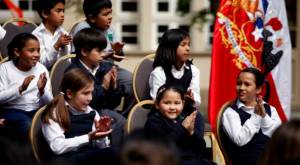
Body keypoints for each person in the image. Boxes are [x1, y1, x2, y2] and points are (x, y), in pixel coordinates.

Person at [70, 0, 135, 115]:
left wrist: (118, 51)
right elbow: (76, 56)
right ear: (92, 18)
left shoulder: (111, 30)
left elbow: (118, 58)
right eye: (105, 14)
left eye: (110, 13)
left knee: (131, 81)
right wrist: (105, 54)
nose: (109, 17)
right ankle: (98, 115)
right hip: (87, 70)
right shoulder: (82, 29)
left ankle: (125, 116)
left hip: (108, 67)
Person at [41, 68, 117, 165]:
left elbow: (102, 148)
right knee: (113, 153)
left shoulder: (91, 112)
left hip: (87, 157)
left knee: (115, 153)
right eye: (85, 93)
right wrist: (88, 137)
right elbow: (57, 147)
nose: (90, 98)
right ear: (69, 94)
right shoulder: (54, 112)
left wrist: (101, 135)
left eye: (91, 92)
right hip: (65, 160)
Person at [66, 28, 126, 147]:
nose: (103, 54)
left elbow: (114, 103)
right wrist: (103, 86)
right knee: (118, 121)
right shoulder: (74, 72)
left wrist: (113, 87)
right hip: (79, 114)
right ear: (84, 51)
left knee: (120, 120)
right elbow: (86, 102)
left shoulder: (105, 66)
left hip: (103, 110)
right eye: (98, 51)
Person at [221, 67, 282, 165]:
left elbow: (278, 137)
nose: (241, 88)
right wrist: (256, 116)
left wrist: (264, 116)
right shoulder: (230, 113)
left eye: (247, 84)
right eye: (239, 83)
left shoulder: (271, 109)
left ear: (258, 89)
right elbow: (239, 139)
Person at [0, 33, 52, 141]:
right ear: (17, 52)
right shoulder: (4, 69)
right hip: (13, 111)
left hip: (36, 110)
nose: (37, 54)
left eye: (38, 50)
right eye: (31, 50)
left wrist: (42, 90)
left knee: (54, 124)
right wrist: (20, 89)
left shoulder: (41, 69)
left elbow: (50, 103)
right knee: (28, 126)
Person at [144, 84, 214, 165]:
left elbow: (201, 148)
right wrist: (183, 128)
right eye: (167, 103)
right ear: (157, 104)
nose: (172, 107)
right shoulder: (154, 122)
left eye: (177, 103)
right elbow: (163, 146)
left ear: (183, 104)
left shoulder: (183, 119)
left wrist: (192, 133)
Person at [149, 28, 201, 116]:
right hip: (165, 115)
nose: (188, 48)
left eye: (189, 45)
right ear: (170, 48)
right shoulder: (159, 72)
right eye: (183, 44)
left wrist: (192, 98)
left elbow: (197, 97)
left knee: (198, 118)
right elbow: (156, 99)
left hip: (186, 112)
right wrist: (179, 98)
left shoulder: (194, 71)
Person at [33, 0, 72, 69]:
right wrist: (56, 46)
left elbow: (68, 60)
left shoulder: (64, 33)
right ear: (45, 13)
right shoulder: (36, 35)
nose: (62, 15)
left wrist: (64, 48)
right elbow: (42, 65)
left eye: (63, 11)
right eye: (58, 11)